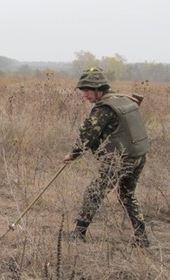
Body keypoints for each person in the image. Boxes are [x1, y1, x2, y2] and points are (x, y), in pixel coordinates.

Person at [63, 68, 150, 248]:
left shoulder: (104, 108)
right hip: (139, 155)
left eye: (87, 90)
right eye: (83, 90)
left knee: (93, 193)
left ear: (98, 89)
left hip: (120, 159)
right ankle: (142, 238)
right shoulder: (124, 100)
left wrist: (74, 155)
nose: (84, 95)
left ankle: (78, 234)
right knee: (127, 195)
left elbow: (88, 135)